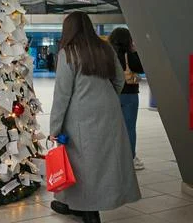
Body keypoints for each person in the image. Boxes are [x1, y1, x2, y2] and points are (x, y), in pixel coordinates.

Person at [49, 12, 140, 223]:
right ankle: (73, 203)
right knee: (105, 162)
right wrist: (106, 100)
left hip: (81, 116)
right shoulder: (105, 48)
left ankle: (90, 212)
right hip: (110, 113)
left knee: (83, 164)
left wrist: (55, 128)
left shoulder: (68, 53)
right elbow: (119, 80)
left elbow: (62, 95)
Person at [109, 27, 145, 170]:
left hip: (113, 94)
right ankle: (130, 159)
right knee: (129, 127)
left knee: (114, 127)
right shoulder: (129, 54)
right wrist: (134, 50)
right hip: (130, 94)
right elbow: (141, 68)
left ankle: (115, 157)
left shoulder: (108, 54)